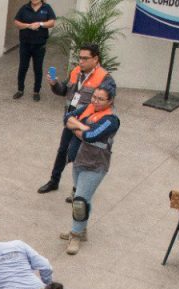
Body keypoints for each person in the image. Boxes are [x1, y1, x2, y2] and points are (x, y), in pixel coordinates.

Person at [38, 44, 115, 198]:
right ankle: (54, 181)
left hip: (86, 126)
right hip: (71, 121)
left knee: (78, 156)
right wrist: (54, 84)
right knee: (62, 151)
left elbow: (105, 104)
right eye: (80, 58)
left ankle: (77, 190)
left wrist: (88, 125)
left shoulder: (105, 79)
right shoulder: (76, 72)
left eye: (85, 58)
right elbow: (64, 91)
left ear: (95, 59)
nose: (81, 61)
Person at [58, 83, 119, 255]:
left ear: (110, 101)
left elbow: (91, 136)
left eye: (101, 99)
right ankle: (82, 229)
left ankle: (75, 235)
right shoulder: (88, 108)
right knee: (84, 199)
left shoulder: (111, 120)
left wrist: (78, 127)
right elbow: (67, 118)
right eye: (94, 97)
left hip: (95, 165)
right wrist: (84, 128)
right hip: (79, 160)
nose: (95, 101)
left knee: (79, 201)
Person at [12, 0, 56, 101]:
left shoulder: (46, 8)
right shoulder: (24, 8)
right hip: (25, 44)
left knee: (38, 68)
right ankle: (20, 90)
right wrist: (28, 25)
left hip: (40, 45)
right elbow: (16, 22)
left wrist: (40, 24)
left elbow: (52, 23)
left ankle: (36, 91)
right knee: (23, 67)